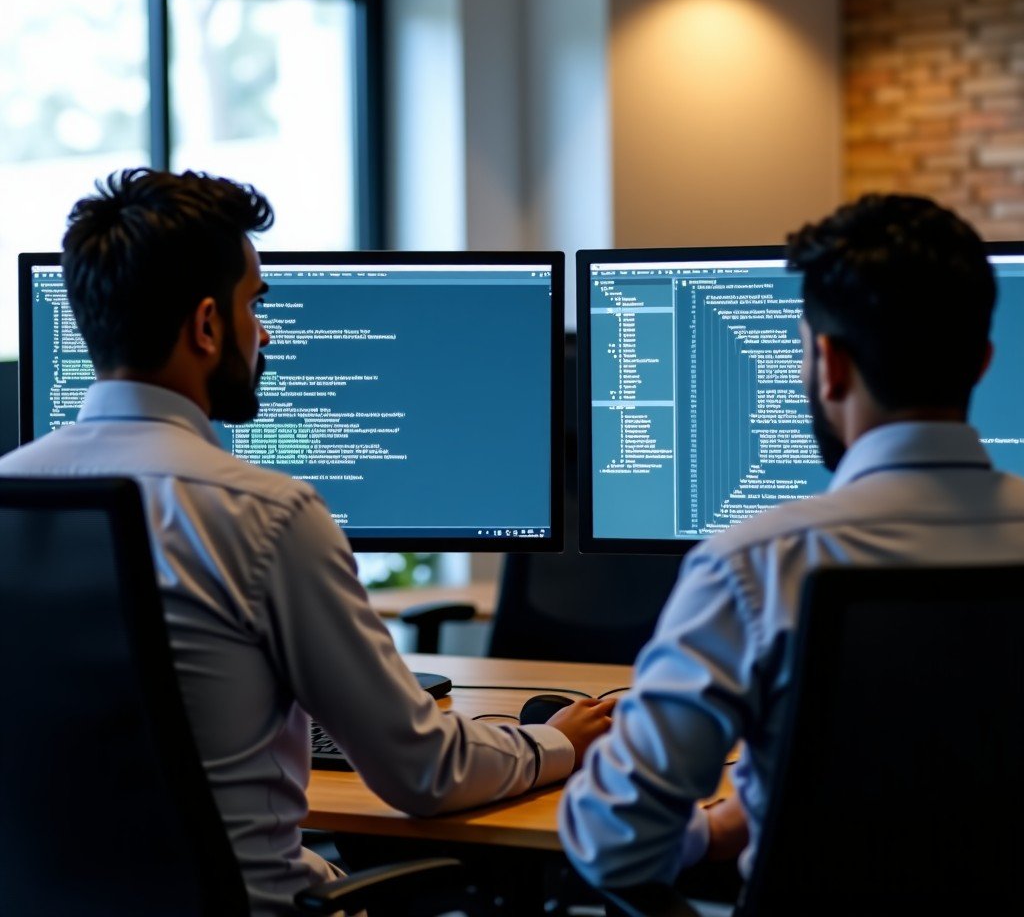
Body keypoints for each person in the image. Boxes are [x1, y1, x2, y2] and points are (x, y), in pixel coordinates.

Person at [0, 168, 614, 916]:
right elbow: (424, 773)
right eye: (253, 304)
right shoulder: (267, 514)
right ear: (206, 325)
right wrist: (556, 741)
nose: (263, 332)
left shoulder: (11, 493)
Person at [558, 193, 1024, 894]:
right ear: (985, 361)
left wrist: (711, 831)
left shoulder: (753, 566)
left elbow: (614, 843)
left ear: (828, 364)